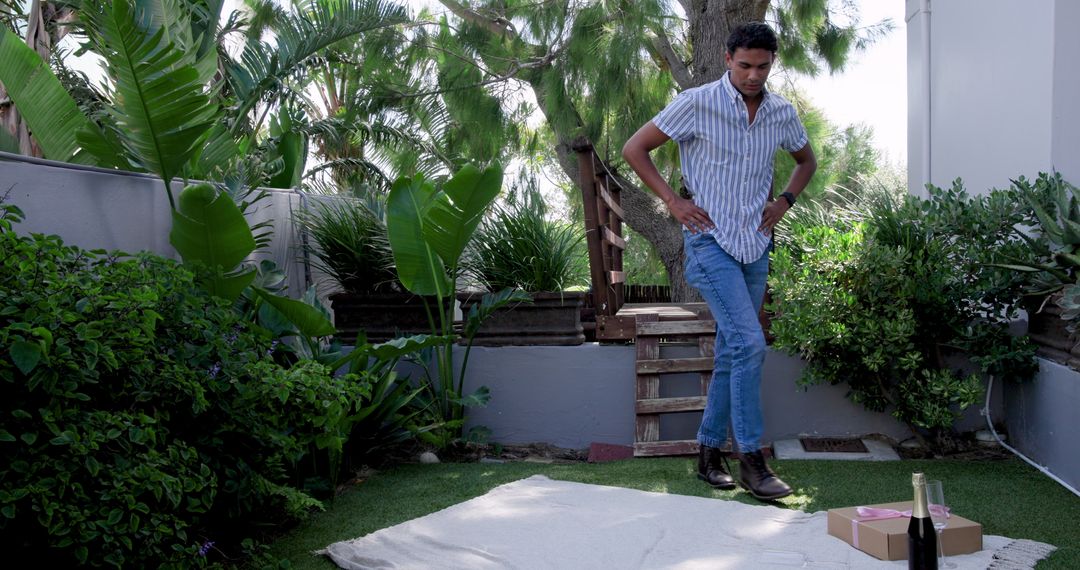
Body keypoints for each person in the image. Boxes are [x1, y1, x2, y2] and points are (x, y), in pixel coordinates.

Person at [621, 22, 817, 501]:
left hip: (756, 243)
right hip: (709, 243)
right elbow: (634, 148)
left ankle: (708, 455)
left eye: (762, 66)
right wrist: (672, 201)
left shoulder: (781, 113)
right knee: (751, 343)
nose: (753, 75)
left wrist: (785, 201)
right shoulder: (696, 103)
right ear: (728, 59)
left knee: (734, 351)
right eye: (745, 64)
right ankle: (753, 460)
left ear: (773, 63)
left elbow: (806, 161)